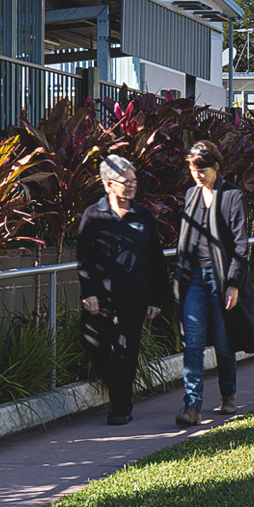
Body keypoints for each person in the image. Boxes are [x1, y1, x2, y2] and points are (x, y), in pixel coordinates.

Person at [76, 154, 171, 426]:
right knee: (93, 344)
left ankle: (120, 408)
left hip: (135, 294)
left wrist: (157, 298)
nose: (131, 186)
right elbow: (84, 258)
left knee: (126, 350)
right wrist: (88, 292)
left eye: (133, 180)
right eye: (125, 181)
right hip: (100, 296)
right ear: (108, 184)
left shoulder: (143, 216)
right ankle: (119, 391)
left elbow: (156, 260)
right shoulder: (93, 216)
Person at [173, 139, 254, 427]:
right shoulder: (191, 195)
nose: (198, 175)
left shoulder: (232, 196)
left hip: (221, 279)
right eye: (193, 169)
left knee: (224, 344)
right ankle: (192, 406)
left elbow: (240, 245)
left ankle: (228, 395)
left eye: (203, 169)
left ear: (216, 167)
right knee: (193, 344)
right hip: (193, 279)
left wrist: (233, 283)